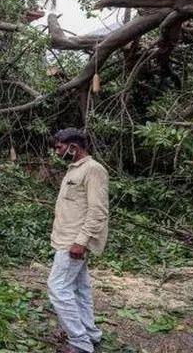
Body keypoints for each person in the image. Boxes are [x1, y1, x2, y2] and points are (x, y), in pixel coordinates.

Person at [48, 128, 109, 353]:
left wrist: (81, 242)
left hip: (73, 242)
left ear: (73, 147)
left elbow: (98, 211)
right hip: (65, 239)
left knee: (57, 289)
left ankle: (79, 342)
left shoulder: (93, 170)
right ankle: (90, 333)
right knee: (79, 289)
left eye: (59, 148)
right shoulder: (74, 169)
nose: (57, 152)